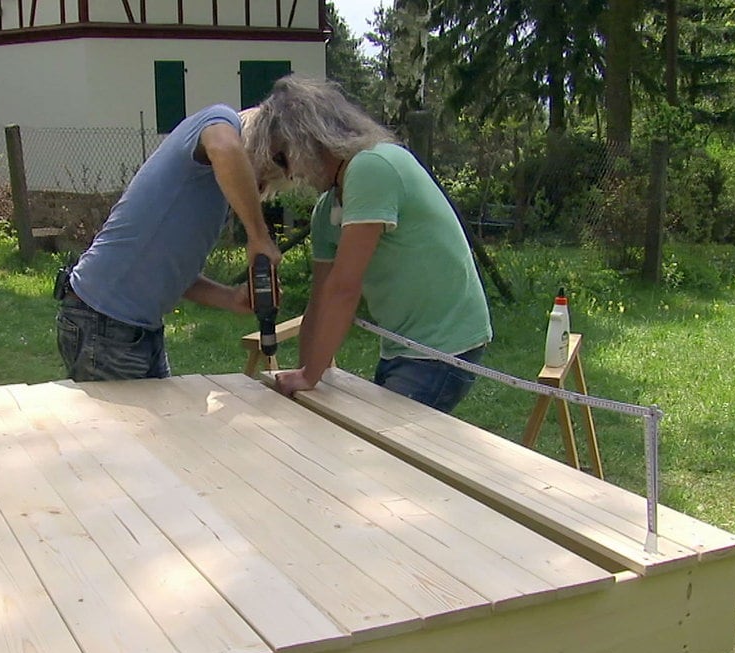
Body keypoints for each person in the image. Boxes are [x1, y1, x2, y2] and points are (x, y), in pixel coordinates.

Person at [247, 75, 492, 413]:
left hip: (442, 347)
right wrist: (305, 384)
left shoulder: (372, 167)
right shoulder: (327, 209)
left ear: (308, 139)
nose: (289, 175)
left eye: (283, 159)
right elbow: (319, 301)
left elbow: (345, 288)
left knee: (389, 455)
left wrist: (311, 375)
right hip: (400, 346)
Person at [56, 104, 281, 381]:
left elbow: (173, 271)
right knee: (126, 426)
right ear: (258, 141)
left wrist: (230, 298)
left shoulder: (211, 194)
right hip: (103, 321)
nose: (260, 184)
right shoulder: (220, 120)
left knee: (163, 421)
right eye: (270, 166)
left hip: (137, 329)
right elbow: (224, 146)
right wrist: (259, 237)